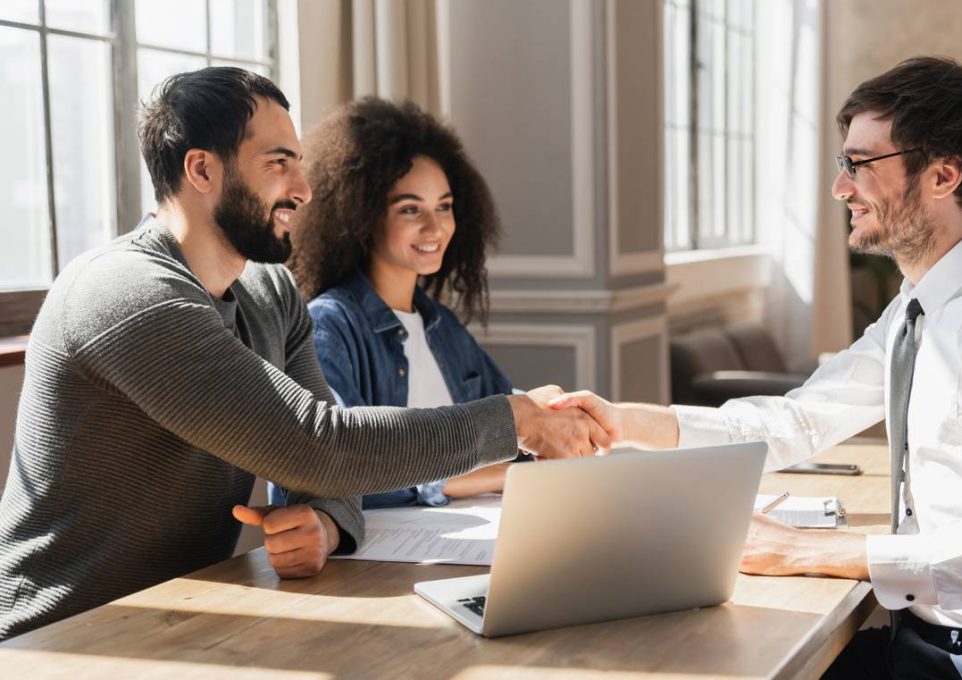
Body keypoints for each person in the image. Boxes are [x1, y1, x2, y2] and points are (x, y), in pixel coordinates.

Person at [550, 57, 962, 678]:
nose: (841, 188)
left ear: (943, 176)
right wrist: (625, 422)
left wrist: (797, 549)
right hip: (935, 637)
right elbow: (800, 419)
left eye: (859, 164)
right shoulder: (919, 305)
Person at [0, 67, 608, 640]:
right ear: (202, 170)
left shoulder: (270, 293)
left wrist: (326, 523)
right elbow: (318, 444)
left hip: (183, 618)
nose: (305, 190)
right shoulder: (129, 295)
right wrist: (516, 419)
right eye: (278, 164)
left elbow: (319, 470)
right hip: (61, 638)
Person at [274, 97, 516, 509]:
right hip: (381, 559)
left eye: (444, 206)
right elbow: (336, 465)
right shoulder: (328, 326)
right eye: (410, 209)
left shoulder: (441, 325)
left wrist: (554, 411)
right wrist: (458, 479)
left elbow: (511, 416)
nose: (435, 226)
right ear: (363, 216)